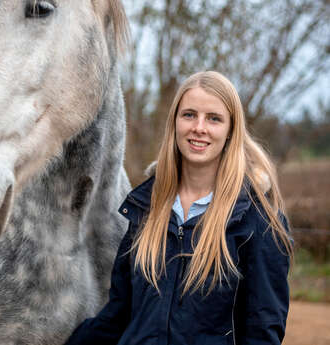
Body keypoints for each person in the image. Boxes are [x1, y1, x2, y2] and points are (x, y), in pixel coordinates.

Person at [65, 71, 293, 345]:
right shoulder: (146, 208)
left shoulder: (258, 221)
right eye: (189, 115)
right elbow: (117, 317)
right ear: (174, 122)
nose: (199, 127)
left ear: (231, 130)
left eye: (214, 118)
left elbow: (262, 334)